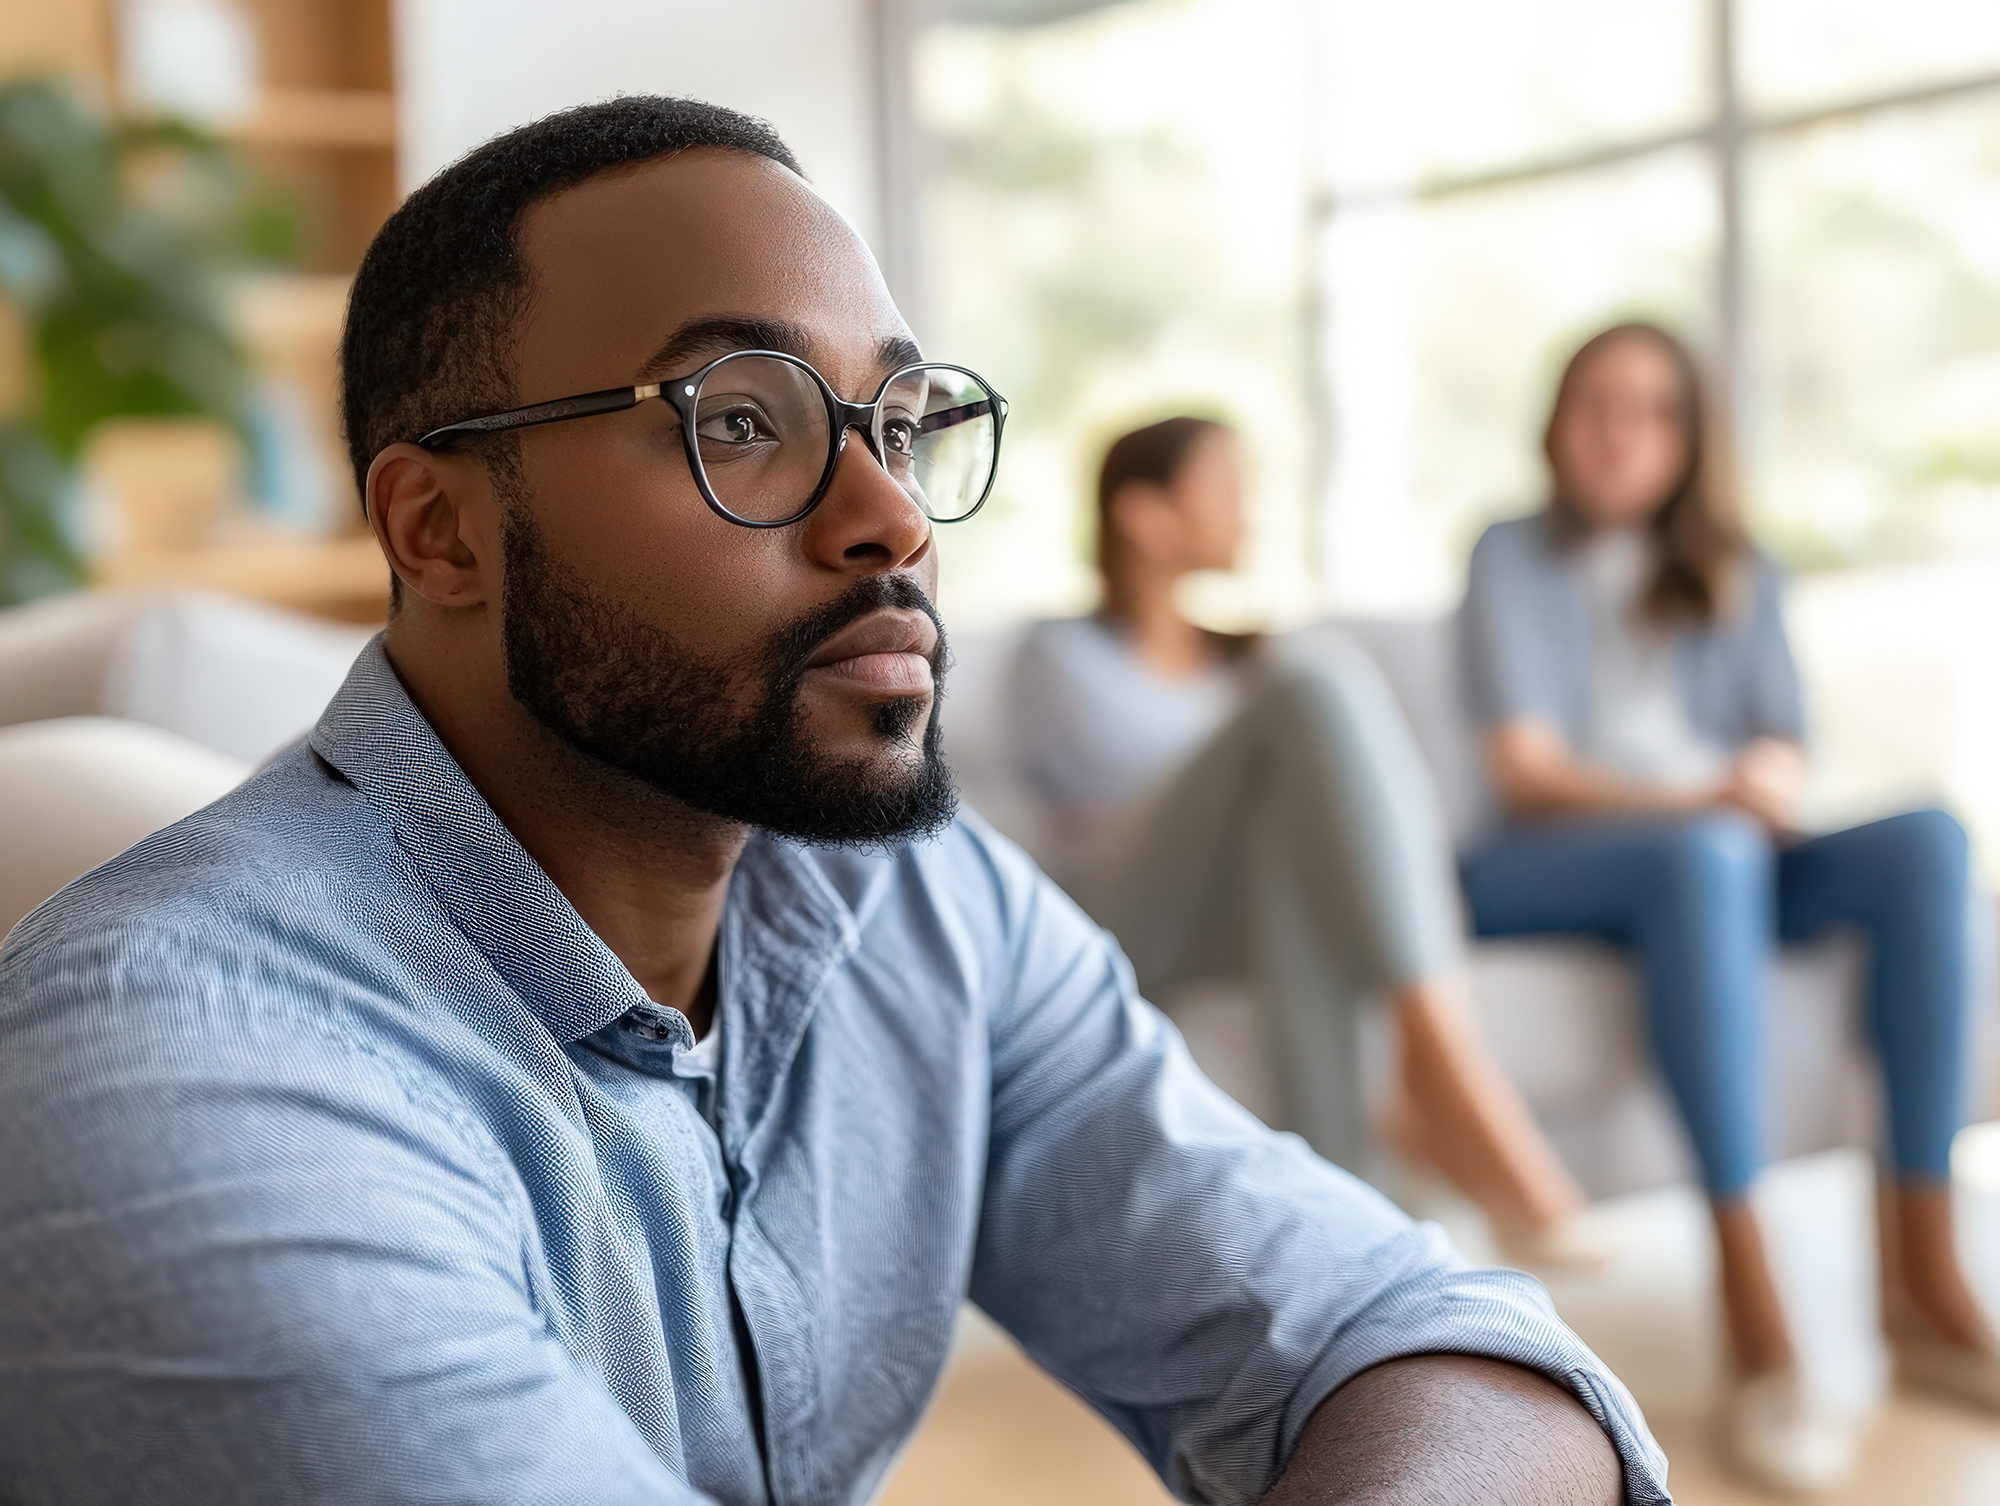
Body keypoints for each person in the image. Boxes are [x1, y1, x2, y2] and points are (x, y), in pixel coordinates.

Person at [0, 99, 1664, 1505]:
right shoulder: (186, 1078)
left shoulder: (910, 906)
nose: (892, 518)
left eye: (902, 423)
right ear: (440, 532)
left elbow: (1426, 1340)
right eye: (740, 421)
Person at [1459, 321, 1997, 1492]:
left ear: (1687, 439)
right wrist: (1703, 795)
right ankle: (1757, 1317)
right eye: (1598, 406)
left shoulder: (1736, 566)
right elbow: (1524, 769)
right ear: (1556, 424)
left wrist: (1759, 788)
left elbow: (1780, 741)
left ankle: (1926, 1281)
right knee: (1704, 851)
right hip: (1552, 862)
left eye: (1652, 411)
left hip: (1717, 851)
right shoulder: (1508, 553)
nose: (1621, 433)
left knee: (1926, 842)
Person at [1010, 416, 1599, 1264]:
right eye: (1225, 491)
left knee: (1285, 851)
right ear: (1145, 516)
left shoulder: (1245, 662)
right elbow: (1123, 818)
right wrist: (1260, 769)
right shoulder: (1060, 655)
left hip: (1244, 905)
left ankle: (1350, 1209)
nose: (1247, 515)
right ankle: (1442, 1064)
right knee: (1314, 694)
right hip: (1124, 916)